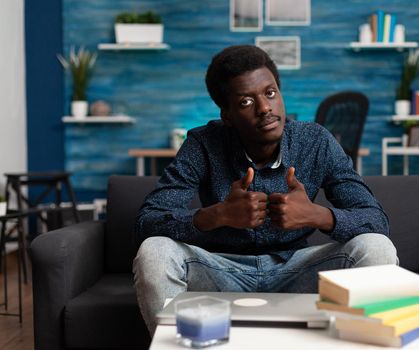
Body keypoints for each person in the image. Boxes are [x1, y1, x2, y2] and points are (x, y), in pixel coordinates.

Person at [133, 45, 397, 334]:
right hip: (222, 274)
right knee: (154, 251)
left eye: (270, 93)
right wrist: (217, 215)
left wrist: (317, 215)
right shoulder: (203, 144)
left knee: (376, 246)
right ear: (228, 115)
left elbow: (376, 220)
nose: (265, 108)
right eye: (246, 102)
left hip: (299, 272)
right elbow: (148, 221)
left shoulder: (316, 141)